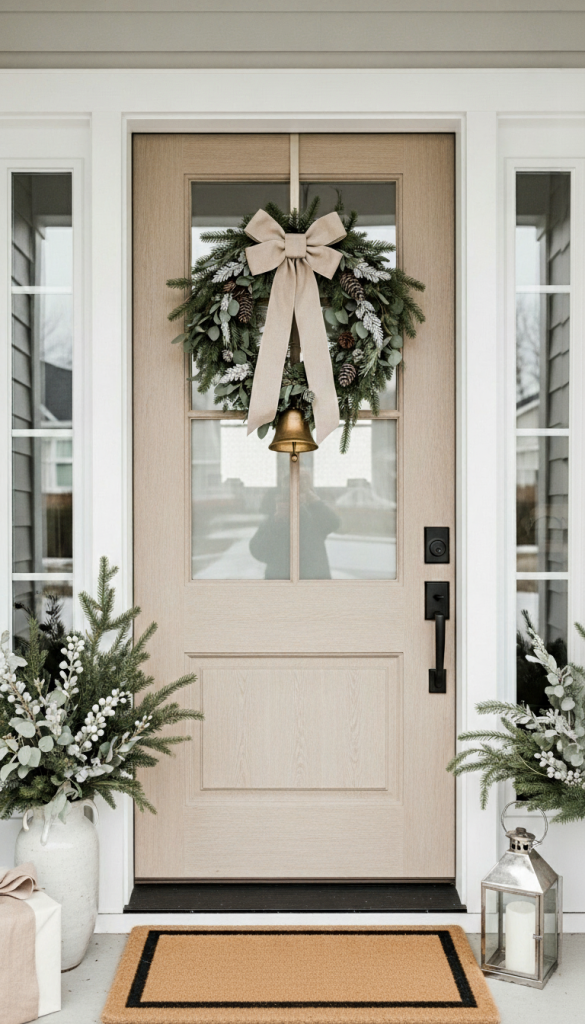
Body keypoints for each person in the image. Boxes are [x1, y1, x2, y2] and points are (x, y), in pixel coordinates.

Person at [250, 468, 340, 578]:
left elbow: (334, 524)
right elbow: (257, 550)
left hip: (313, 582)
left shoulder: (315, 513)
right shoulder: (276, 513)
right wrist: (276, 522)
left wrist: (312, 499)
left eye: (304, 483)